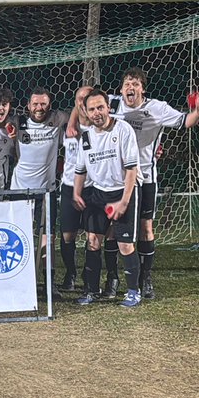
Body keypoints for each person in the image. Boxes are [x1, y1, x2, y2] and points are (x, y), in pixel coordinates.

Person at [109, 68, 199, 299]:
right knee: (111, 229)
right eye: (127, 84)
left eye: (136, 84)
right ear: (121, 90)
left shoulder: (157, 108)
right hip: (114, 178)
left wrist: (198, 109)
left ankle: (145, 278)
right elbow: (83, 103)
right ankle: (112, 278)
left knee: (146, 227)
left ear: (143, 89)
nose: (131, 88)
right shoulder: (111, 104)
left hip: (146, 177)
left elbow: (186, 121)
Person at [73, 88, 143, 308]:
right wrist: (76, 192)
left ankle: (133, 291)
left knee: (124, 245)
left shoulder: (124, 129)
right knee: (93, 241)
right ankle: (91, 291)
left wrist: (124, 202)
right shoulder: (86, 137)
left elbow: (131, 170)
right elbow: (80, 170)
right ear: (86, 111)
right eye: (92, 109)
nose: (97, 113)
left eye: (100, 107)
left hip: (124, 190)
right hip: (99, 193)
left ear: (108, 107)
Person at [9, 86, 71, 280]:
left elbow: (77, 114)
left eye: (43, 103)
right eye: (35, 103)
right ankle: (21, 278)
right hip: (20, 190)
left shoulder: (57, 118)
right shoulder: (18, 122)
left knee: (48, 237)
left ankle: (49, 280)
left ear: (49, 104)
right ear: (28, 105)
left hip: (46, 192)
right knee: (19, 236)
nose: (39, 107)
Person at [58, 85, 93, 291]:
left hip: (92, 188)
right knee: (68, 235)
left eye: (86, 98)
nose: (82, 102)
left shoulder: (100, 124)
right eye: (79, 99)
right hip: (69, 186)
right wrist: (72, 119)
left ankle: (89, 275)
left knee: (92, 236)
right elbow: (75, 108)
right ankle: (70, 273)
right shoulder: (66, 126)